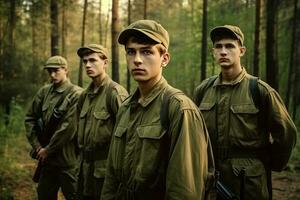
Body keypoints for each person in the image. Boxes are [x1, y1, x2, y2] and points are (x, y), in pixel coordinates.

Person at [101, 19, 209, 200]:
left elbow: (184, 190)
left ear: (164, 59)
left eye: (146, 52)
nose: (137, 60)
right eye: (130, 52)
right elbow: (112, 176)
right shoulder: (126, 107)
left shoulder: (180, 108)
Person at [193, 25, 297, 200]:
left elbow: (286, 133)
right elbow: (195, 133)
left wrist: (268, 163)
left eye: (230, 46)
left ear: (241, 51)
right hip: (211, 178)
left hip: (248, 182)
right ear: (213, 52)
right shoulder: (203, 90)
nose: (223, 51)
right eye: (218, 47)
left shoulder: (259, 90)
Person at [25, 55, 83, 200]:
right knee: (44, 195)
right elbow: (30, 118)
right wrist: (37, 146)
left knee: (74, 195)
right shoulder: (44, 92)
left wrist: (48, 150)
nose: (52, 75)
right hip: (47, 161)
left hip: (67, 160)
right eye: (49, 71)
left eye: (56, 70)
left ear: (66, 70)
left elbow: (68, 128)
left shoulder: (76, 94)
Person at [76, 44, 128, 200]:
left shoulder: (115, 93)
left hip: (106, 171)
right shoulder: (84, 95)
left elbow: (127, 137)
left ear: (105, 62)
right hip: (85, 169)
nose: (87, 65)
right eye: (85, 61)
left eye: (93, 60)